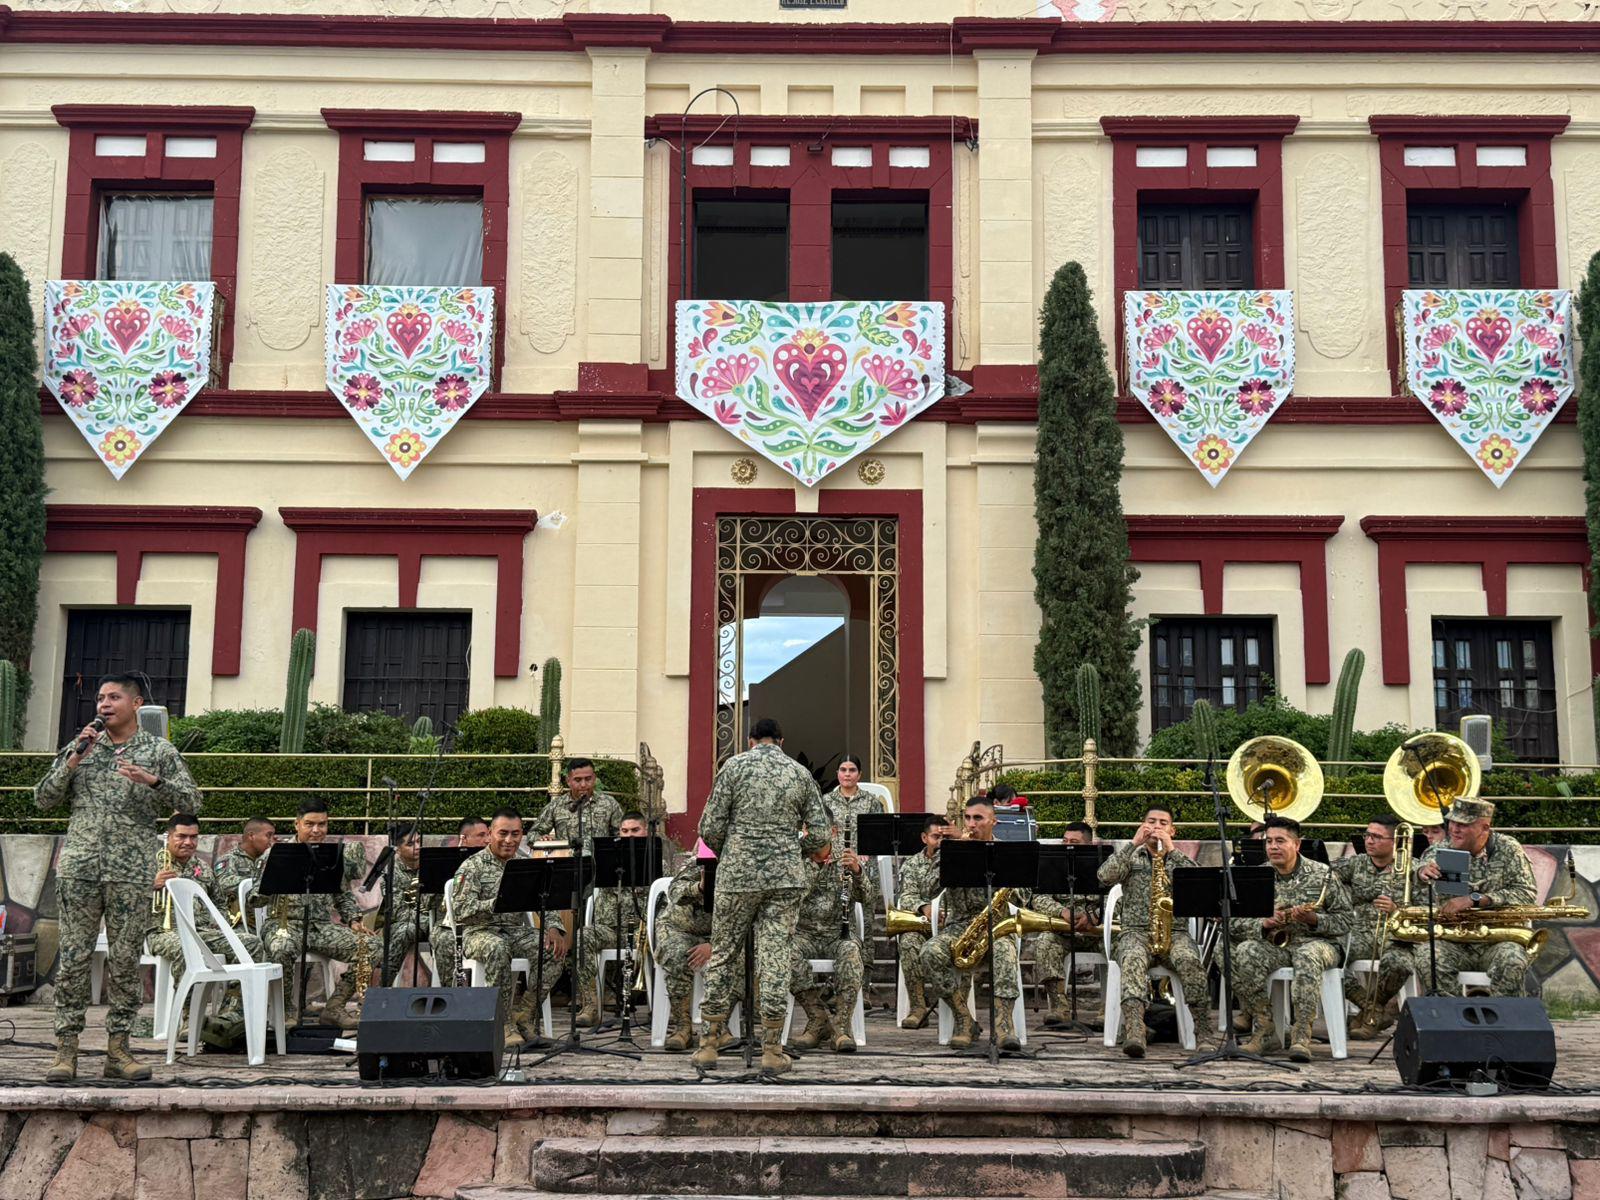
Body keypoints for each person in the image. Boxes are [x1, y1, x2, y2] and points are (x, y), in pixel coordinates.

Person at [36, 673, 200, 1083]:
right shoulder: (82, 746)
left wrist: (154, 780)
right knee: (73, 959)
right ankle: (65, 1052)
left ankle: (119, 1050)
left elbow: (193, 801)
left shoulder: (157, 750)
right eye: (100, 698)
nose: (103, 704)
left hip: (130, 872)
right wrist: (74, 758)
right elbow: (43, 797)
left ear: (135, 703)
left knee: (125, 962)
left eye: (113, 697)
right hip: (81, 867)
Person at [693, 718, 829, 1074]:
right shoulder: (799, 773)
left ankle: (709, 1043)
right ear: (781, 741)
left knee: (723, 952)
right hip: (785, 878)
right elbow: (819, 835)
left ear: (751, 740)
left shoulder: (734, 767)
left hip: (737, 876)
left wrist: (734, 849)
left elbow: (709, 827)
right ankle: (771, 1049)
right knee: (775, 957)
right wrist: (791, 848)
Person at [1229, 815, 1353, 1061]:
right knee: (1245, 951)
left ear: (1297, 844)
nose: (1273, 847)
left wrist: (1315, 920)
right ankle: (1265, 1029)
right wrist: (1263, 924)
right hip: (1276, 944)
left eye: (1280, 841)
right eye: (1269, 841)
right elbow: (1234, 923)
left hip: (1319, 944)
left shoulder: (1323, 875)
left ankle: (1301, 1037)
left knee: (1307, 956)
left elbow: (1347, 920)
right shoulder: (1258, 876)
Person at [1098, 806, 1213, 1057]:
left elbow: (1200, 884)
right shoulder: (1133, 857)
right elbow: (1104, 877)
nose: (1156, 827)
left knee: (1190, 961)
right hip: (1136, 932)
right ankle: (1135, 1031)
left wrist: (1172, 851)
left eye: (1163, 823)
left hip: (1176, 933)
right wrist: (1132, 844)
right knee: (1132, 958)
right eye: (1151, 822)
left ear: (1172, 830)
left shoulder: (1179, 859)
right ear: (1142, 825)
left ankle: (1203, 1030)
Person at [451, 809, 566, 1050]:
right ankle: (502, 1024)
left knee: (553, 949)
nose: (509, 840)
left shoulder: (524, 864)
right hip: (478, 933)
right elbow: (462, 911)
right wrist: (498, 902)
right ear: (490, 834)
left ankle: (524, 1014)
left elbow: (545, 899)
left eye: (515, 834)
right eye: (502, 833)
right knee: (497, 948)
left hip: (512, 931)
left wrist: (555, 928)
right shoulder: (472, 866)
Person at [920, 796, 1028, 1052]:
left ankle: (1004, 1025)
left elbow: (1024, 895)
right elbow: (928, 887)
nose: (971, 824)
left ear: (994, 821)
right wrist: (951, 852)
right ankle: (964, 1019)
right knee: (929, 952)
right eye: (967, 818)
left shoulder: (1008, 852)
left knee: (1004, 950)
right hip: (960, 927)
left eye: (978, 818)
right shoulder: (954, 849)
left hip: (997, 927)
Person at [260, 799, 374, 1029]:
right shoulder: (276, 854)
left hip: (321, 927)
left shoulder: (332, 855)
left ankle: (334, 1008)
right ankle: (286, 1010)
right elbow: (256, 896)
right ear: (297, 824)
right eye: (310, 824)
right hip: (284, 924)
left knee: (372, 947)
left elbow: (342, 895)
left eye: (322, 824)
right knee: (281, 948)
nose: (316, 830)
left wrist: (353, 919)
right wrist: (275, 880)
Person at [147, 813, 265, 1031]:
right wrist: (150, 885)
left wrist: (220, 924)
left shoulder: (202, 868)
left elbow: (219, 903)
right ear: (169, 836)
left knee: (251, 943)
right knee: (187, 950)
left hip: (201, 931)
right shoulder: (149, 864)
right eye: (181, 837)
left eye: (193, 837)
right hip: (162, 932)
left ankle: (231, 1015)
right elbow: (124, 899)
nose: (188, 842)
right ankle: (190, 1019)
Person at [1410, 798, 1538, 998]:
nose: (1454, 829)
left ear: (1484, 827)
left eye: (1463, 824)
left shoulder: (1508, 849)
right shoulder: (1440, 849)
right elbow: (1417, 871)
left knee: (1512, 960)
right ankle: (1453, 1022)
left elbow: (1526, 894)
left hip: (1498, 941)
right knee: (1427, 957)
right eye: (1452, 822)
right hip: (1454, 941)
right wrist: (1421, 872)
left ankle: (1502, 1024)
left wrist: (1476, 899)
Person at [789, 823, 874, 1054]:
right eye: (808, 830)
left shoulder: (845, 858)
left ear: (833, 832)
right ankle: (817, 1019)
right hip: (803, 934)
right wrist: (816, 867)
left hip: (837, 933)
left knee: (851, 954)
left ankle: (841, 1026)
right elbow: (790, 897)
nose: (811, 835)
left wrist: (857, 872)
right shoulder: (795, 857)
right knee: (784, 954)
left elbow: (867, 897)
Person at [655, 846, 745, 1053]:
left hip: (717, 935)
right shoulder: (698, 864)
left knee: (737, 959)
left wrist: (714, 945)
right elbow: (675, 891)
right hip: (679, 929)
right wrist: (700, 887)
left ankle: (718, 1028)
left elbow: (745, 918)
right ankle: (683, 1028)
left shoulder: (743, 866)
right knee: (676, 954)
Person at [575, 811, 653, 1028]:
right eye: (624, 831)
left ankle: (661, 1007)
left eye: (635, 831)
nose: (629, 836)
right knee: (583, 936)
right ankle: (591, 1005)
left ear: (645, 831)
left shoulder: (655, 861)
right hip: (609, 930)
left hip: (641, 933)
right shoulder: (607, 859)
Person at [1336, 813, 1410, 1037]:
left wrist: (1397, 909)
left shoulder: (1412, 868)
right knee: (1332, 957)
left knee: (1399, 963)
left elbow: (1428, 908)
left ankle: (1371, 1013)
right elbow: (1326, 879)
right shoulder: (1356, 864)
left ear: (1395, 842)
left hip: (1397, 934)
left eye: (1377, 837)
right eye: (1368, 835)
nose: (1369, 841)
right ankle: (1372, 1009)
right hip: (1360, 932)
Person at [820, 755, 886, 1007]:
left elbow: (879, 836)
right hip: (832, 871)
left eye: (852, 770)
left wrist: (864, 858)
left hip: (862, 871)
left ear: (859, 774)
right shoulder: (826, 801)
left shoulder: (871, 802)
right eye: (843, 770)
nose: (847, 774)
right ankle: (833, 984)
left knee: (865, 926)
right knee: (834, 924)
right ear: (838, 774)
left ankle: (865, 987)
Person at [1030, 821, 1104, 1029]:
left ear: (1088, 846)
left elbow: (1119, 899)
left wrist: (1094, 916)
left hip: (1096, 931)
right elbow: (1039, 898)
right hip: (1063, 929)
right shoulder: (1052, 865)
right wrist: (1062, 912)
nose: (1067, 846)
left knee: (1121, 943)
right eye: (1065, 841)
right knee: (1045, 942)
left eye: (1074, 842)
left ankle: (1109, 1008)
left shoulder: (1104, 866)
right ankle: (1058, 1006)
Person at [892, 814, 948, 1029]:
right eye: (935, 837)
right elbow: (905, 896)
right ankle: (918, 1006)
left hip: (951, 926)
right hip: (923, 923)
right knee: (908, 942)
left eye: (944, 837)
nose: (940, 841)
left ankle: (957, 1008)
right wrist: (924, 907)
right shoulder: (913, 864)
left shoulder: (956, 857)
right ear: (924, 838)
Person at [434, 817, 492, 987]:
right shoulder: (447, 862)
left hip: (486, 922)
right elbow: (428, 901)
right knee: (442, 938)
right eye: (481, 835)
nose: (487, 839)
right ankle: (451, 993)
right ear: (464, 839)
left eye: (488, 834)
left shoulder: (494, 858)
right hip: (451, 923)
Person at [528, 758, 623, 853]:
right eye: (577, 780)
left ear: (594, 779)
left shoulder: (609, 803)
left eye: (588, 779)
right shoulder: (556, 805)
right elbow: (532, 834)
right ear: (568, 781)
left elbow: (622, 836)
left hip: (600, 863)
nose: (583, 784)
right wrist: (542, 839)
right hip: (567, 863)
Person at [215, 816, 275, 931]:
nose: (271, 841)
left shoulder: (268, 859)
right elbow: (224, 883)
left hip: (267, 919)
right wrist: (259, 880)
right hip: (240, 922)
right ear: (251, 836)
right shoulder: (229, 859)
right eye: (268, 835)